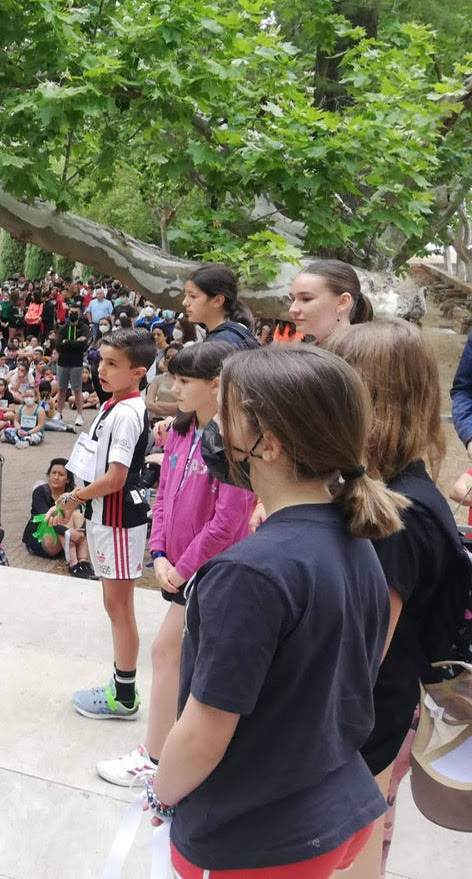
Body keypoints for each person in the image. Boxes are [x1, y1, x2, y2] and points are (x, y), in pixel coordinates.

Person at [149, 346, 402, 879]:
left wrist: (162, 794)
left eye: (227, 413)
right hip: (333, 806)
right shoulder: (358, 542)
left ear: (269, 443)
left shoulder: (248, 574)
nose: (213, 425)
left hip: (255, 839)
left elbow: (202, 732)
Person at [323, 319, 467, 879]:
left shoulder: (398, 518)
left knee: (349, 856)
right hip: (374, 725)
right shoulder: (388, 492)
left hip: (363, 734)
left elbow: (360, 656)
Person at [96, 341, 254, 787]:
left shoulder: (233, 442)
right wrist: (161, 552)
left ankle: (161, 757)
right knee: (175, 654)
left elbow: (229, 520)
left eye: (184, 381)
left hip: (215, 571)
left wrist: (184, 566)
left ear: (216, 385)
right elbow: (163, 495)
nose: (174, 389)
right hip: (182, 568)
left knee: (174, 653)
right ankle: (165, 754)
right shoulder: (182, 432)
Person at [49, 328, 154, 719]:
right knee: (114, 606)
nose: (102, 370)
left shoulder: (126, 414)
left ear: (138, 372)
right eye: (101, 361)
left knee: (120, 607)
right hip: (104, 518)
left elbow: (116, 478)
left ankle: (124, 694)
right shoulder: (114, 405)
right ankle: (120, 682)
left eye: (113, 364)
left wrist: (72, 498)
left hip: (119, 520)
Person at [22, 458, 93, 577]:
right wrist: (69, 532)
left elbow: (86, 516)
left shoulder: (72, 494)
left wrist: (80, 532)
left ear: (68, 479)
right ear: (48, 475)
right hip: (42, 540)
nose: (56, 477)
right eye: (53, 473)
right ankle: (73, 564)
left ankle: (83, 561)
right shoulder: (40, 492)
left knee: (75, 514)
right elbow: (47, 519)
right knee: (61, 515)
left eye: (60, 474)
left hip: (64, 542)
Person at [287, 259, 373, 344]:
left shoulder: (364, 354)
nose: (292, 310)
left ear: (343, 302)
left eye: (306, 299)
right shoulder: (313, 352)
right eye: (293, 299)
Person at [180, 264, 259, 348]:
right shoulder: (235, 332)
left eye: (193, 296)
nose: (184, 302)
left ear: (218, 300)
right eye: (186, 295)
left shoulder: (221, 344)